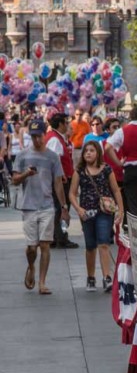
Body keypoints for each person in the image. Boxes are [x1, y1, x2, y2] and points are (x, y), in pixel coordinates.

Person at [12, 117, 69, 295]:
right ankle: (31, 267)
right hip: (28, 206)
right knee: (31, 247)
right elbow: (14, 180)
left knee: (45, 245)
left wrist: (64, 207)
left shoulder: (52, 157)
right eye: (34, 136)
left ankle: (42, 282)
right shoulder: (22, 155)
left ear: (45, 135)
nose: (37, 139)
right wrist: (26, 174)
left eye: (39, 136)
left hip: (46, 206)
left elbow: (58, 183)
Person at [69, 140, 124, 292]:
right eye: (86, 150)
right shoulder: (79, 171)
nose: (88, 153)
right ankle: (91, 277)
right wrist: (78, 208)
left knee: (103, 243)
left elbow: (116, 190)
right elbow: (72, 193)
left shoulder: (107, 169)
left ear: (98, 153)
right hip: (86, 212)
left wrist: (121, 210)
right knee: (90, 246)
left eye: (92, 150)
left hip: (104, 211)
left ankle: (107, 277)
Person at [107, 105, 137, 218]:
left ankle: (135, 230)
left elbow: (107, 147)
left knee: (132, 202)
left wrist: (118, 163)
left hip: (130, 169)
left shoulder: (122, 131)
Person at [45, 113, 78, 249]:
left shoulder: (55, 137)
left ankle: (55, 236)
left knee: (58, 208)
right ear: (60, 124)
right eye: (65, 123)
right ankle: (61, 238)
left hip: (59, 177)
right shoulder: (54, 139)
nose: (67, 125)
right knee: (62, 207)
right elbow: (54, 159)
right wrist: (62, 174)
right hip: (60, 179)